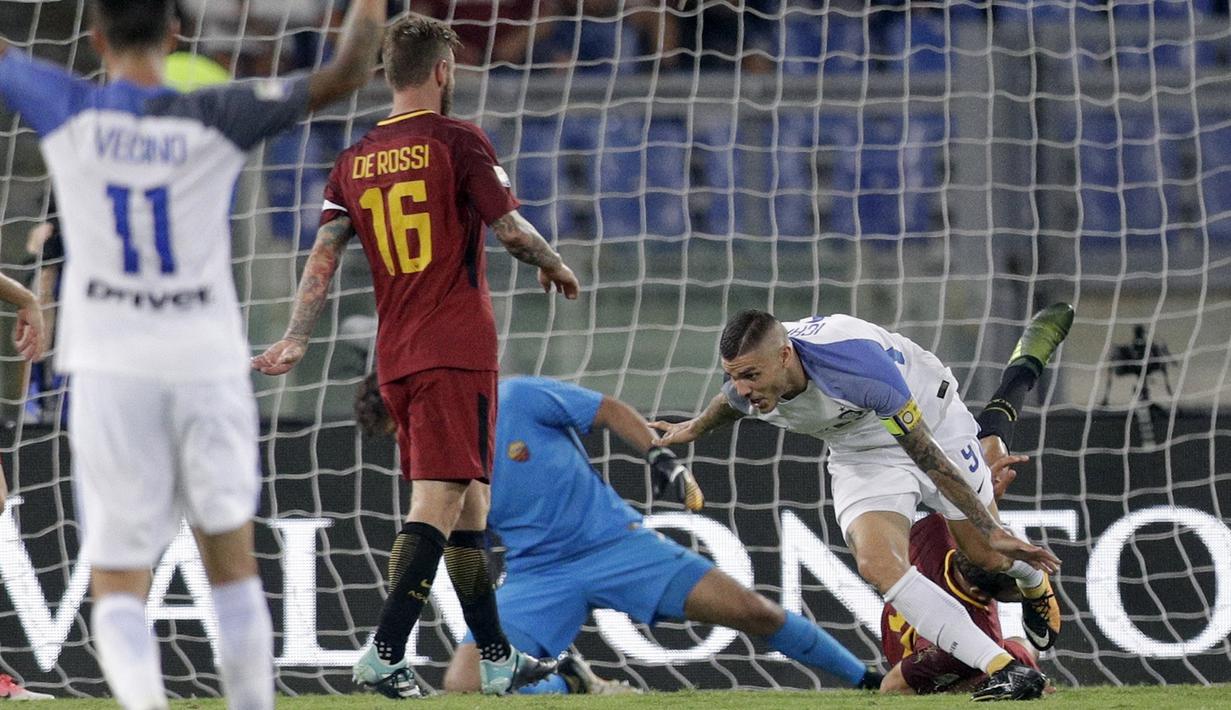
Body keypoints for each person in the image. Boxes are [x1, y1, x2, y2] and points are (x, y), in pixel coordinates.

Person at [0, 0, 387, 707]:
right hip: (205, 363)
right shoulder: (221, 111)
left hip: (111, 369)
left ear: (94, 38)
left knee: (117, 582)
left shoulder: (64, 101)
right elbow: (350, 70)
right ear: (176, 34)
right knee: (233, 568)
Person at [252, 14, 581, 699]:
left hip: (396, 352)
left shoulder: (355, 157)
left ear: (384, 74)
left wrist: (297, 337)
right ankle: (384, 649)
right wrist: (554, 264)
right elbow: (511, 229)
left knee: (469, 505)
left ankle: (496, 656)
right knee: (440, 498)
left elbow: (324, 253)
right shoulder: (458, 140)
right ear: (442, 71)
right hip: (454, 346)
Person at [350, 374, 881, 694]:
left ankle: (869, 684)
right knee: (462, 686)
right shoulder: (430, 463)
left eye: (405, 425)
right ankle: (569, 683)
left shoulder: (515, 398)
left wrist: (664, 462)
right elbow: (465, 543)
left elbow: (608, 409)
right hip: (539, 573)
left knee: (756, 613)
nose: (410, 439)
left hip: (615, 545)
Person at [650, 307, 1070, 701]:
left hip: (932, 425)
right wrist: (692, 428)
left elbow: (929, 460)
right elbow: (728, 403)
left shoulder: (855, 370)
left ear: (784, 356)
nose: (743, 389)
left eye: (750, 377)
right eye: (734, 376)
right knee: (877, 563)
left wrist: (991, 528)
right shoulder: (753, 381)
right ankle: (1006, 669)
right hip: (858, 450)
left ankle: (1033, 579)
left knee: (984, 554)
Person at [880, 304, 1073, 694]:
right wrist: (979, 494)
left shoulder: (932, 534)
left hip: (946, 656)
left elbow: (892, 687)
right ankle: (1028, 361)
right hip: (922, 417)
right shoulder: (936, 531)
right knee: (991, 446)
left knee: (1015, 653)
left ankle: (1027, 362)